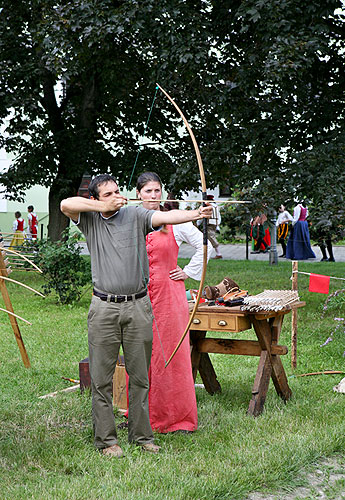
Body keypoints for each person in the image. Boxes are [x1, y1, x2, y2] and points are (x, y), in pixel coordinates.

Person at [60, 173, 212, 458]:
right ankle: (107, 441)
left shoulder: (135, 215)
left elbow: (167, 218)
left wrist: (196, 212)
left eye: (118, 192)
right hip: (104, 307)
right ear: (95, 199)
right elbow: (67, 204)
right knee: (102, 378)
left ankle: (142, 436)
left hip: (138, 306)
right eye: (109, 194)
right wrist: (101, 207)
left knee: (140, 376)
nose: (117, 197)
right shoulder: (90, 221)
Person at [133, 172, 212, 433]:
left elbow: (205, 247)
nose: (153, 196)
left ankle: (174, 417)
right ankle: (140, 414)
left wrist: (188, 272)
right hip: (137, 294)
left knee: (169, 353)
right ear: (138, 194)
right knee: (139, 354)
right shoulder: (131, 219)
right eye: (148, 191)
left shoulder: (175, 222)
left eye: (157, 191)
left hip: (169, 296)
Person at [197, 194, 222, 259]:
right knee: (208, 238)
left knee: (211, 238)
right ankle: (206, 252)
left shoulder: (206, 206)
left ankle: (218, 253)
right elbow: (219, 217)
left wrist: (198, 223)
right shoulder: (216, 206)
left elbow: (202, 216)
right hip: (214, 223)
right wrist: (218, 224)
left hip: (209, 224)